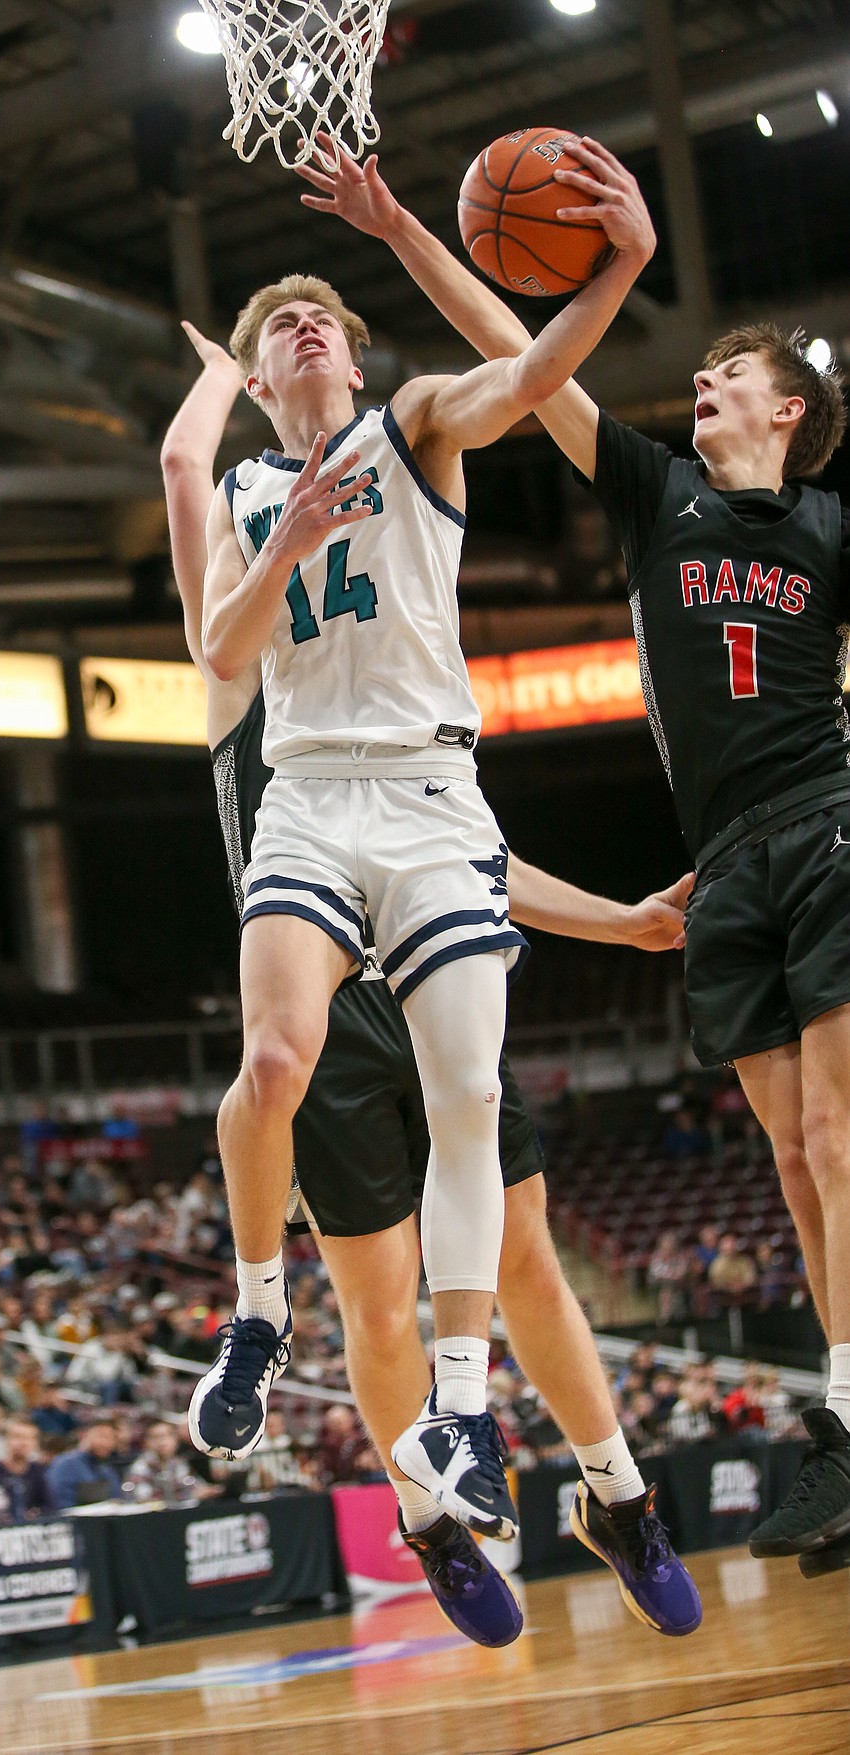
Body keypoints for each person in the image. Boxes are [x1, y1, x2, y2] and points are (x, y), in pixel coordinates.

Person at [299, 136, 850, 1575]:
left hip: (827, 817)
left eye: (734, 372)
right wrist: (399, 218)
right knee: (794, 1162)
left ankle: (845, 1422)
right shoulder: (653, 488)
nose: (708, 377)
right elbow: (509, 343)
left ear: (787, 409)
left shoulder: (831, 527)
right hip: (721, 860)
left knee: (839, 1140)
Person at [159, 316, 700, 1645]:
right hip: (319, 973)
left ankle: (616, 1491)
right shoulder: (239, 661)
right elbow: (185, 475)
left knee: (522, 1249)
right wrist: (216, 380)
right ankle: (431, 1513)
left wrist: (621, 920)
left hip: (421, 899)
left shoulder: (393, 614)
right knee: (370, 1291)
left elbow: (472, 850)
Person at [0, 1415, 55, 1521]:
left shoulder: (39, 1472)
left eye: (30, 1438)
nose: (24, 1443)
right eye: (18, 1436)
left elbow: (50, 1507)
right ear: (5, 1439)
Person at [124, 1419, 212, 1505]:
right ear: (146, 1442)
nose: (163, 1442)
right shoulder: (141, 1467)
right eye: (156, 1437)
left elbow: (196, 1487)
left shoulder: (178, 1463)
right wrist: (189, 1496)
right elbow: (145, 1500)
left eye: (168, 1435)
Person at [45, 1417, 122, 1510]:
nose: (106, 1443)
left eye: (112, 1439)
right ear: (84, 1435)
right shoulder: (65, 1464)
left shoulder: (107, 1471)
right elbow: (59, 1505)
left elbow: (117, 1502)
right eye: (102, 1436)